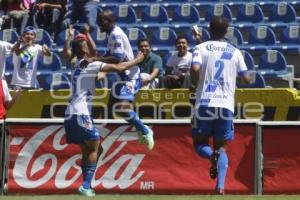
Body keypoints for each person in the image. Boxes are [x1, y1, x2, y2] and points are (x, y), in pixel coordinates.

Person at [64, 37, 145, 197]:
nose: (88, 46)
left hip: (69, 114)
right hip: (81, 113)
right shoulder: (91, 64)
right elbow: (120, 67)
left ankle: (86, 186)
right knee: (96, 147)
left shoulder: (76, 65)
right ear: (84, 50)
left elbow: (87, 72)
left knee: (87, 150)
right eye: (86, 44)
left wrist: (69, 37)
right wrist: (138, 59)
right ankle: (86, 185)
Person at [190, 16, 251, 195]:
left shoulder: (200, 48)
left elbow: (194, 69)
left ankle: (211, 156)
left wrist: (194, 82)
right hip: (226, 104)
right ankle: (220, 187)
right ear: (227, 31)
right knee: (222, 146)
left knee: (200, 143)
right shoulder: (235, 51)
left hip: (205, 102)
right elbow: (246, 79)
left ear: (209, 29)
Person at [96, 10, 154, 150]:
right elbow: (111, 55)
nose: (98, 22)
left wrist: (96, 60)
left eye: (102, 20)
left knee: (122, 108)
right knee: (110, 109)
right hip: (121, 78)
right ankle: (101, 142)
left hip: (130, 78)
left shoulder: (115, 34)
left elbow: (118, 58)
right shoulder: (111, 34)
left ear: (110, 21)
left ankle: (145, 130)